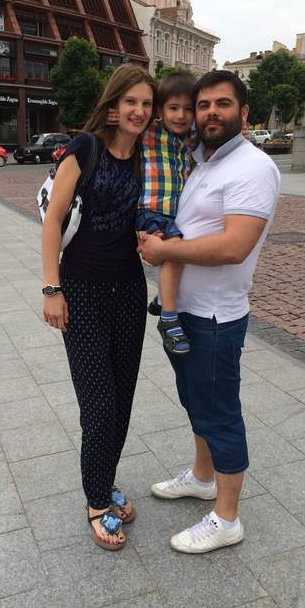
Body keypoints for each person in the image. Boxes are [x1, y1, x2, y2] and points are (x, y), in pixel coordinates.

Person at [139, 70, 281, 554]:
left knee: (220, 414)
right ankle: (203, 477)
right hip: (185, 311)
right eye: (203, 105)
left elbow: (235, 246)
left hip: (216, 318)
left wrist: (165, 251)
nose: (210, 113)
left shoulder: (252, 167)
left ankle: (226, 518)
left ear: (244, 112)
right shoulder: (202, 160)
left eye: (222, 104)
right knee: (195, 401)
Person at [42, 64, 157, 551]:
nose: (139, 111)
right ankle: (95, 501)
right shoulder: (85, 148)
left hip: (129, 291)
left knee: (122, 400)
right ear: (113, 105)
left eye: (146, 104)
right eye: (131, 101)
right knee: (99, 404)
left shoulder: (145, 157)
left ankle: (106, 481)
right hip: (82, 291)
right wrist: (52, 289)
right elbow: (53, 220)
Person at [137, 72, 196, 355]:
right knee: (174, 251)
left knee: (175, 252)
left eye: (188, 108)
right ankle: (169, 319)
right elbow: (127, 119)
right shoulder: (149, 131)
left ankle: (162, 300)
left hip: (174, 213)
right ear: (160, 110)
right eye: (173, 108)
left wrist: (243, 129)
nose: (180, 115)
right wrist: (109, 117)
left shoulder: (192, 138)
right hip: (150, 209)